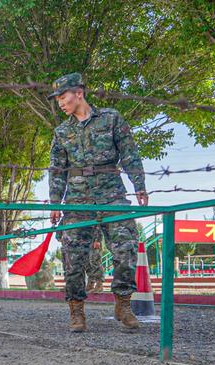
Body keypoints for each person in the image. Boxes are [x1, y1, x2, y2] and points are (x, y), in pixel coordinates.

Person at [48, 72, 148, 332]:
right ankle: (76, 311)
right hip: (78, 198)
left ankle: (123, 304)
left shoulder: (111, 118)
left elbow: (129, 153)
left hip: (112, 193)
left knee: (125, 247)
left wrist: (139, 185)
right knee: (73, 256)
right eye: (57, 98)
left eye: (63, 96)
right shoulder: (61, 132)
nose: (60, 102)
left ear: (78, 93)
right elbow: (57, 170)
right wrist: (56, 203)